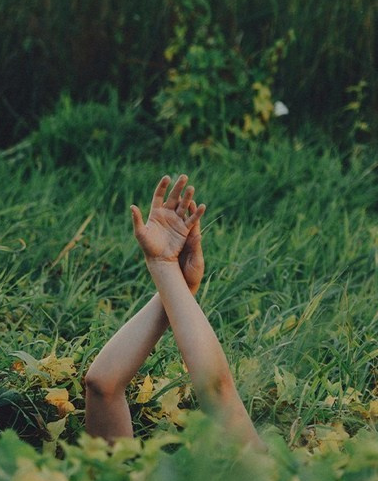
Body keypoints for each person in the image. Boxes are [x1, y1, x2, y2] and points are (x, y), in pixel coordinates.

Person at [84, 174, 263, 450]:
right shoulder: (265, 470)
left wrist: (168, 271)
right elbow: (101, 386)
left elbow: (216, 391)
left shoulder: (265, 474)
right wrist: (170, 277)